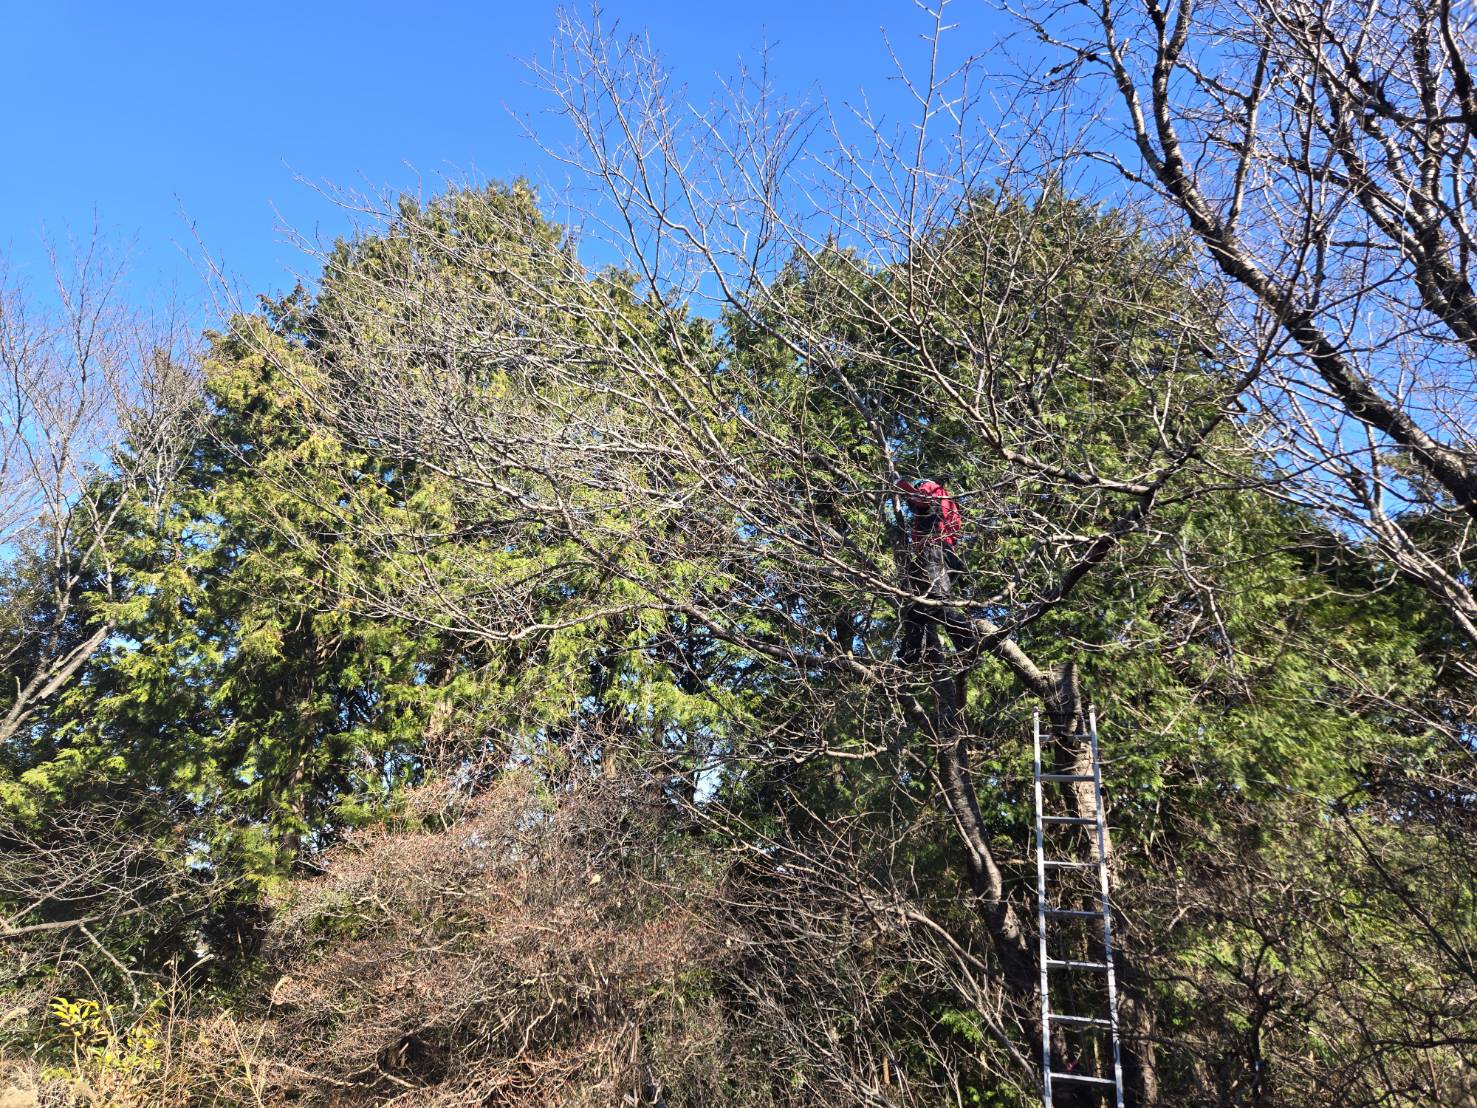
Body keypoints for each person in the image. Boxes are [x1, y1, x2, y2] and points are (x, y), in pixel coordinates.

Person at [893, 475, 976, 665]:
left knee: (939, 603)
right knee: (915, 615)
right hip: (940, 555)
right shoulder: (948, 504)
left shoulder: (932, 488)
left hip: (935, 553)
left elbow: (922, 499)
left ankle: (969, 643)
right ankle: (910, 657)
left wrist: (899, 483)